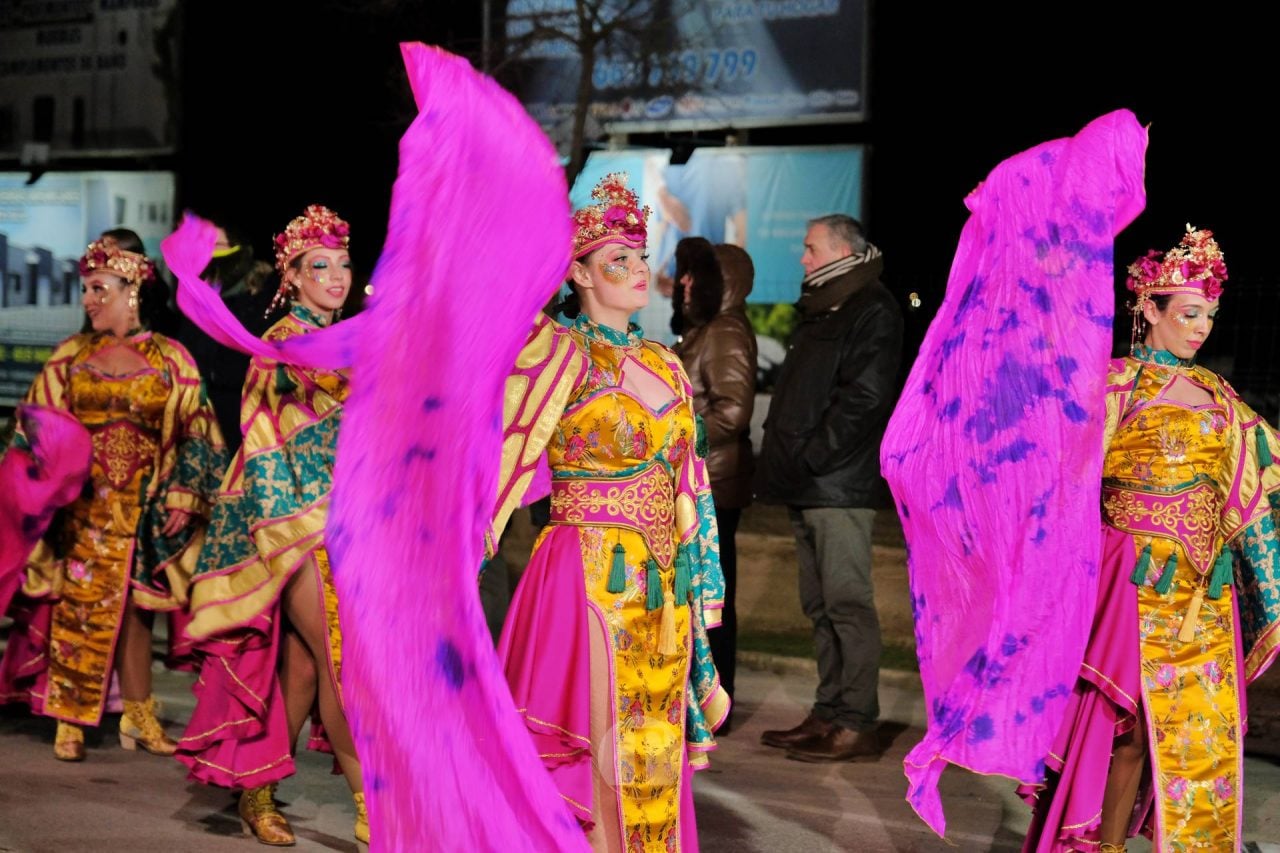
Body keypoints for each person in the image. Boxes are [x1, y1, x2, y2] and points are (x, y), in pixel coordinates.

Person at [1020, 226, 1280, 851]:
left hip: (1203, 594)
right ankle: (1098, 844)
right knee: (1122, 728)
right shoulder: (1111, 386)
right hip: (1131, 579)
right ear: (1148, 308)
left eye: (1210, 316)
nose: (1201, 329)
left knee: (1194, 736)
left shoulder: (1223, 400)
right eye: (1189, 314)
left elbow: (1258, 485)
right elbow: (1058, 484)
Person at [490, 172, 729, 851]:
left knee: (653, 742)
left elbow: (692, 486)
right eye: (615, 259)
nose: (633, 268)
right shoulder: (558, 353)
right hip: (585, 572)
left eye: (637, 255)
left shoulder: (668, 362)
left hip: (659, 582)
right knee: (594, 742)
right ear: (580, 274)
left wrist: (697, 579)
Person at [175, 205, 367, 846]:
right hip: (291, 529)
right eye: (321, 267)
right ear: (292, 277)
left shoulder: (357, 341)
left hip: (349, 528)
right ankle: (374, 810)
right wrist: (299, 521)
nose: (336, 277)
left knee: (307, 669)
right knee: (341, 661)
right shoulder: (280, 347)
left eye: (342, 264)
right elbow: (263, 447)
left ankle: (257, 793)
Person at [0, 238, 226, 761]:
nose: (88, 300)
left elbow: (200, 430)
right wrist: (41, 478)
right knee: (77, 607)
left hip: (146, 506)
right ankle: (69, 717)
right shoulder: (70, 357)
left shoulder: (173, 358)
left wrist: (184, 493)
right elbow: (31, 425)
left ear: (134, 292)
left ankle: (139, 714)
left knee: (139, 614)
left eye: (99, 289)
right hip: (84, 509)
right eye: (85, 290)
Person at [755, 213, 903, 762]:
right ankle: (828, 711)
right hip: (809, 481)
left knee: (846, 604)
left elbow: (863, 399)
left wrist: (815, 455)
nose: (802, 257)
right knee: (819, 605)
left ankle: (857, 721)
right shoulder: (826, 303)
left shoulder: (873, 308)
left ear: (842, 251)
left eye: (810, 247)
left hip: (838, 484)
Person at [673, 238, 757, 715]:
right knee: (702, 596)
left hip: (715, 485)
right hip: (701, 481)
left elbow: (732, 412)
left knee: (712, 600)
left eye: (694, 275)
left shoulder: (724, 331)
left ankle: (712, 704)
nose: (683, 283)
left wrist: (672, 437)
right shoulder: (705, 331)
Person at [174, 217, 279, 455]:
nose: (211, 254)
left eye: (218, 246)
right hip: (201, 418)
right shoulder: (198, 296)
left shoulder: (263, 296)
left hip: (244, 417)